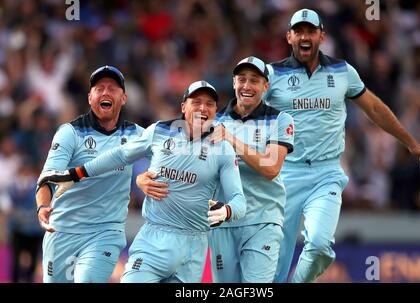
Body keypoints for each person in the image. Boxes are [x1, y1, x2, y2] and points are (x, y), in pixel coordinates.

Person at [264, 9, 420, 283]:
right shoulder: (272, 74)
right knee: (274, 264)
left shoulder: (342, 71)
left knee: (320, 245)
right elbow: (244, 111)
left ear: (321, 36)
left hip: (326, 174)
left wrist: (411, 143)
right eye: (299, 31)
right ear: (289, 37)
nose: (305, 37)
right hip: (285, 174)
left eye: (311, 31)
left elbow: (375, 109)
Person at [38, 80, 247, 283]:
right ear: (184, 107)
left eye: (209, 104)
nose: (203, 108)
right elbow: (120, 155)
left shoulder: (223, 149)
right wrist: (77, 174)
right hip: (154, 237)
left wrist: (227, 211)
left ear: (215, 110)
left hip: (194, 246)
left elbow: (239, 201)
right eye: (196, 102)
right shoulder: (159, 132)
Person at [138, 57, 294, 283]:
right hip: (220, 222)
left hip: (262, 220)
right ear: (233, 83)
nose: (247, 86)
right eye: (242, 79)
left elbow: (271, 168)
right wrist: (143, 178)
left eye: (254, 80)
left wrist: (231, 139)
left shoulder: (280, 119)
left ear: (265, 86)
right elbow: (180, 164)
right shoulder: (213, 119)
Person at [35, 65, 144, 283]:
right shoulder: (70, 133)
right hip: (62, 229)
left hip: (105, 232)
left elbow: (169, 158)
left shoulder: (138, 135)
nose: (105, 92)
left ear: (123, 98)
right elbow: (47, 178)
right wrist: (42, 206)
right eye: (99, 88)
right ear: (89, 98)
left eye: (112, 88)